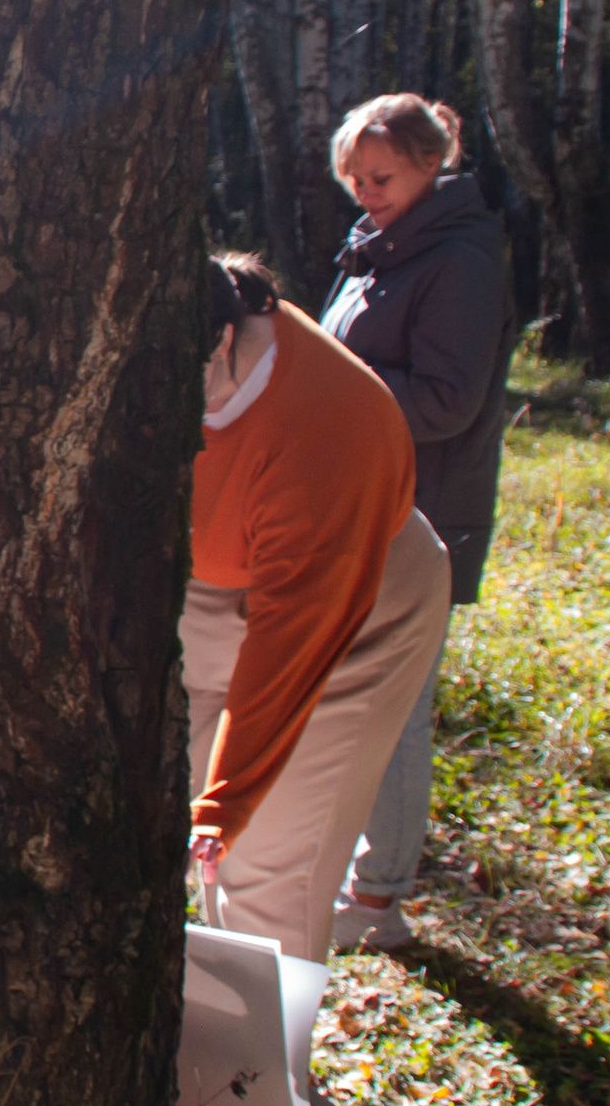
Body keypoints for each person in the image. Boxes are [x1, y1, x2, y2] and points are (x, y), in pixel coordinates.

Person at [183, 254, 452, 971]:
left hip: (355, 611)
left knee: (264, 862)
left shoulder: (322, 430)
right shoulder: (185, 327)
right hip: (217, 574)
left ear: (221, 340)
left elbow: (287, 653)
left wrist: (224, 806)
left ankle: (261, 1046)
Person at [318, 94, 518, 952]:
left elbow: (446, 400)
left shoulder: (460, 260)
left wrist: (330, 389)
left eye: (382, 177)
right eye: (355, 179)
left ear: (431, 165)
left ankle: (378, 900)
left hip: (421, 517)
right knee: (347, 702)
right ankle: (345, 874)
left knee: (395, 708)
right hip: (359, 508)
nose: (366, 192)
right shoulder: (380, 247)